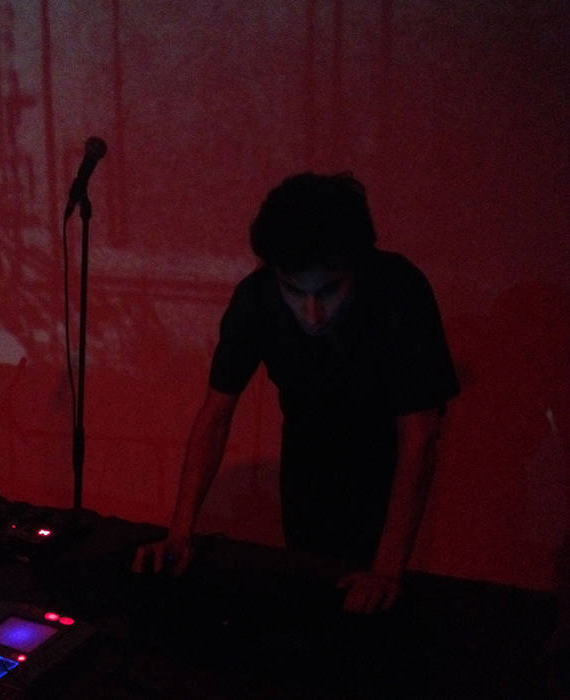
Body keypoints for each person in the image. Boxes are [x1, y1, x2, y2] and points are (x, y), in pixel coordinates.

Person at [133, 172, 459, 614]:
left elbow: (419, 435)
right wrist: (179, 534)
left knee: (375, 605)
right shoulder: (256, 297)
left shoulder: (399, 291)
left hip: (383, 463)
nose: (312, 313)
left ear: (357, 266)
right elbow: (215, 416)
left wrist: (386, 569)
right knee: (309, 594)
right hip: (305, 459)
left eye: (329, 290)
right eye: (293, 290)